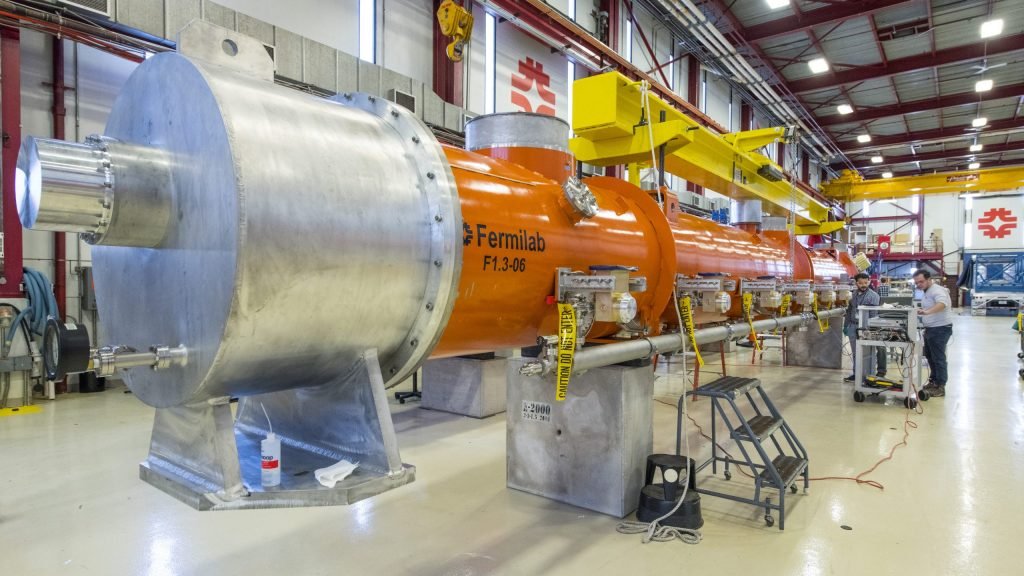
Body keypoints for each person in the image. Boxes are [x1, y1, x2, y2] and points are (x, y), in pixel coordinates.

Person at [914, 270, 953, 397]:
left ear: (929, 279)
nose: (919, 284)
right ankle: (934, 381)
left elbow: (942, 304)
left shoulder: (937, 290)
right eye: (917, 282)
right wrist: (923, 311)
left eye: (921, 281)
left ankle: (940, 386)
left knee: (938, 358)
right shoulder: (927, 292)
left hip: (940, 329)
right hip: (931, 329)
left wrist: (927, 312)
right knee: (931, 357)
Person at [844, 272, 887, 382]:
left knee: (870, 351)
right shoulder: (852, 295)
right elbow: (849, 311)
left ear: (869, 282)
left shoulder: (874, 296)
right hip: (853, 326)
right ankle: (856, 374)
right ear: (856, 283)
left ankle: (877, 373)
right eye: (860, 283)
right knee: (855, 352)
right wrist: (846, 326)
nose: (863, 285)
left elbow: (873, 315)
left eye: (865, 282)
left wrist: (872, 328)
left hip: (867, 327)